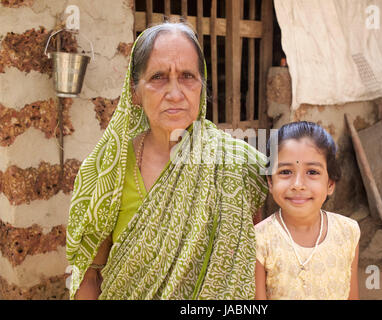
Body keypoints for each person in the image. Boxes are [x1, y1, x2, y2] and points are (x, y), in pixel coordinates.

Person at [66, 22, 268, 300]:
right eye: (159, 77)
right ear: (134, 92)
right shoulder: (106, 170)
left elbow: (249, 267)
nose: (175, 93)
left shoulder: (236, 165)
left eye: (187, 76)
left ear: (202, 87)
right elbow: (89, 275)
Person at [255, 121, 360, 300]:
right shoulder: (259, 240)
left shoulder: (348, 231)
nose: (298, 185)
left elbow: (352, 294)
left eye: (312, 172)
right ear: (270, 183)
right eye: (286, 171)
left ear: (330, 184)